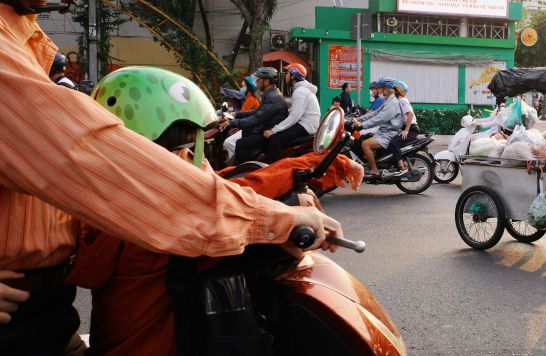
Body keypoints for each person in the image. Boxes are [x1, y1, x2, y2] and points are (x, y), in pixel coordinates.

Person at [0, 3, 341, 354]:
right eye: (190, 149)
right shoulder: (147, 207)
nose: (195, 161)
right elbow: (159, 184)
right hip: (23, 324)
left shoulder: (26, 40)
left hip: (50, 313)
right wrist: (284, 213)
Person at [67, 67, 338, 355]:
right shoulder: (171, 216)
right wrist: (292, 215)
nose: (207, 162)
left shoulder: (110, 204)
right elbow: (221, 203)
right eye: (203, 148)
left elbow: (224, 188)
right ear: (181, 154)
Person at [222, 67, 288, 164]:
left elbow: (257, 118)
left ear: (266, 82)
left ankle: (245, 169)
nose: (256, 82)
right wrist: (237, 114)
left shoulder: (272, 98)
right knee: (244, 133)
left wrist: (232, 123)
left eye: (258, 80)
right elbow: (257, 111)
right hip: (264, 128)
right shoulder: (269, 93)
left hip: (269, 133)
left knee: (241, 143)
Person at [263, 63, 320, 163]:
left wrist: (274, 130)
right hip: (307, 124)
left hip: (305, 126)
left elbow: (294, 117)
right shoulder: (301, 90)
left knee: (274, 140)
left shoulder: (300, 92)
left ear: (293, 76)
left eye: (287, 74)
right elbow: (293, 111)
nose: (286, 76)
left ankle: (278, 168)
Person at [351, 79, 403, 177]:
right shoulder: (388, 100)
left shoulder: (392, 103)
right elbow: (375, 113)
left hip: (389, 134)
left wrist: (362, 125)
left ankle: (374, 170)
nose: (378, 91)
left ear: (386, 89)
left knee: (365, 144)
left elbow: (379, 118)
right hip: (383, 132)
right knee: (363, 138)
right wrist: (360, 119)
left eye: (379, 88)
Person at [222, 75, 261, 161]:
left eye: (243, 86)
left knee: (228, 142)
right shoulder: (249, 98)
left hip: (249, 128)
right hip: (246, 126)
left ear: (248, 88)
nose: (241, 88)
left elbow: (243, 115)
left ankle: (234, 162)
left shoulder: (251, 99)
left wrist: (231, 119)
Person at [388, 81, 418, 174]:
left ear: (399, 90)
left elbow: (410, 114)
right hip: (408, 127)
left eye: (395, 89)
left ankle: (401, 167)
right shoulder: (401, 100)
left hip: (411, 129)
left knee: (394, 142)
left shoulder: (402, 100)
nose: (393, 91)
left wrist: (406, 130)